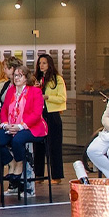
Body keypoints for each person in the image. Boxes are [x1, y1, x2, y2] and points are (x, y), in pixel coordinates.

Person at [0, 62, 46, 197]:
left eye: (20, 76)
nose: (16, 78)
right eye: (15, 75)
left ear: (26, 78)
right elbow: (4, 109)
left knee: (18, 140)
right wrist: (5, 124)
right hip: (12, 126)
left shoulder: (35, 91)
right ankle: (12, 163)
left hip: (31, 128)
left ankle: (19, 165)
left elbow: (36, 114)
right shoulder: (11, 91)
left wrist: (20, 126)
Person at [37, 52, 68, 182]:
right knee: (38, 145)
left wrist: (48, 97)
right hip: (39, 114)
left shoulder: (57, 79)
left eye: (44, 63)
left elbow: (62, 98)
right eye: (40, 63)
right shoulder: (37, 79)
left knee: (54, 145)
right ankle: (38, 174)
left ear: (49, 64)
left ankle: (56, 175)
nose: (41, 66)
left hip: (52, 114)